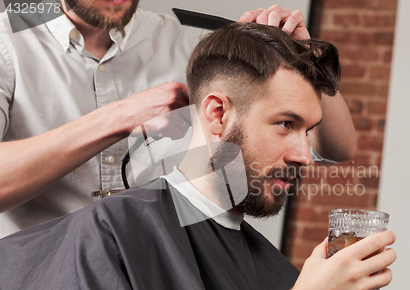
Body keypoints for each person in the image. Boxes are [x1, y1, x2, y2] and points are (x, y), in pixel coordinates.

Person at [0, 22, 396, 290]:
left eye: (308, 131)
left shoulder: (288, 276)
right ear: (217, 115)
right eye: (284, 124)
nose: (304, 157)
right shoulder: (113, 235)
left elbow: (342, 148)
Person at [0, 1, 356, 238]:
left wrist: (304, 63)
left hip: (160, 278)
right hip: (36, 283)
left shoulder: (190, 40)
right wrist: (119, 117)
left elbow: (336, 147)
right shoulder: (8, 43)